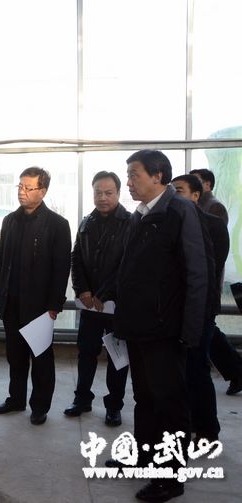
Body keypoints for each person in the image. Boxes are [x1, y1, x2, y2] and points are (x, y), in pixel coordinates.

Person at [113, 150, 207, 502]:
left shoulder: (179, 211)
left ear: (158, 176)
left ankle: (170, 478)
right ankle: (144, 457)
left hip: (166, 329)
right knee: (144, 398)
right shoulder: (140, 214)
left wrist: (190, 331)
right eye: (128, 175)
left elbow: (197, 272)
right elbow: (129, 270)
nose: (129, 182)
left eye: (134, 175)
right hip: (139, 325)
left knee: (170, 403)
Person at [0, 167, 71, 426]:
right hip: (11, 302)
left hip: (40, 306)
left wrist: (54, 304)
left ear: (42, 191)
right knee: (15, 356)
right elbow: (1, 259)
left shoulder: (57, 225)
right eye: (20, 187)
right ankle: (16, 399)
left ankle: (40, 406)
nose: (22, 192)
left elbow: (61, 268)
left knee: (41, 358)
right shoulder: (10, 221)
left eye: (28, 188)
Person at [65, 171, 130, 427]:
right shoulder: (86, 223)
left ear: (118, 193)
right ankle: (82, 399)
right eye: (98, 192)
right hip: (90, 305)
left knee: (118, 357)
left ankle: (114, 406)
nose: (102, 197)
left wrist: (104, 293)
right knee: (86, 353)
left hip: (117, 305)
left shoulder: (130, 223)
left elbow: (129, 265)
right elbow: (76, 258)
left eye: (108, 193)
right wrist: (82, 290)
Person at [172, 174, 229, 442]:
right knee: (181, 371)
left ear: (196, 195)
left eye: (179, 191)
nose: (174, 195)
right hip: (175, 309)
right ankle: (188, 422)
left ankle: (208, 430)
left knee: (197, 368)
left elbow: (208, 270)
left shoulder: (214, 224)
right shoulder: (174, 222)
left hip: (201, 308)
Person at [190, 169, 242, 396]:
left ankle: (237, 371)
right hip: (198, 283)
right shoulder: (197, 206)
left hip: (207, 283)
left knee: (207, 332)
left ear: (207, 185)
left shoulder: (214, 208)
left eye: (196, 181)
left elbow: (213, 250)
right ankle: (236, 371)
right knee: (208, 332)